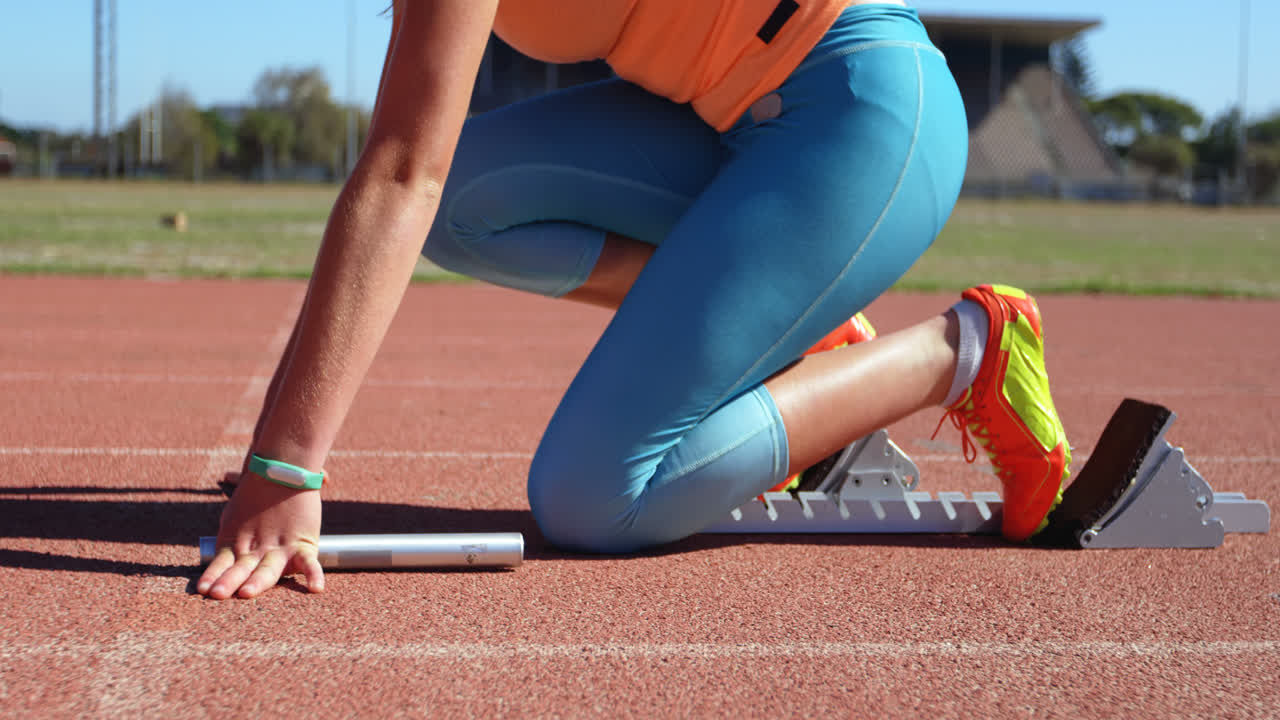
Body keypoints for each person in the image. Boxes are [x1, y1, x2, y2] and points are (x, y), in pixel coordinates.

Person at [197, 0, 1070, 600]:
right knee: (468, 200)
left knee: (593, 496)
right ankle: (799, 331)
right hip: (724, 128)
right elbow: (416, 175)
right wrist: (279, 458)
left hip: (857, 112)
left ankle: (964, 352)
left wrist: (284, 470)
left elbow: (397, 174)